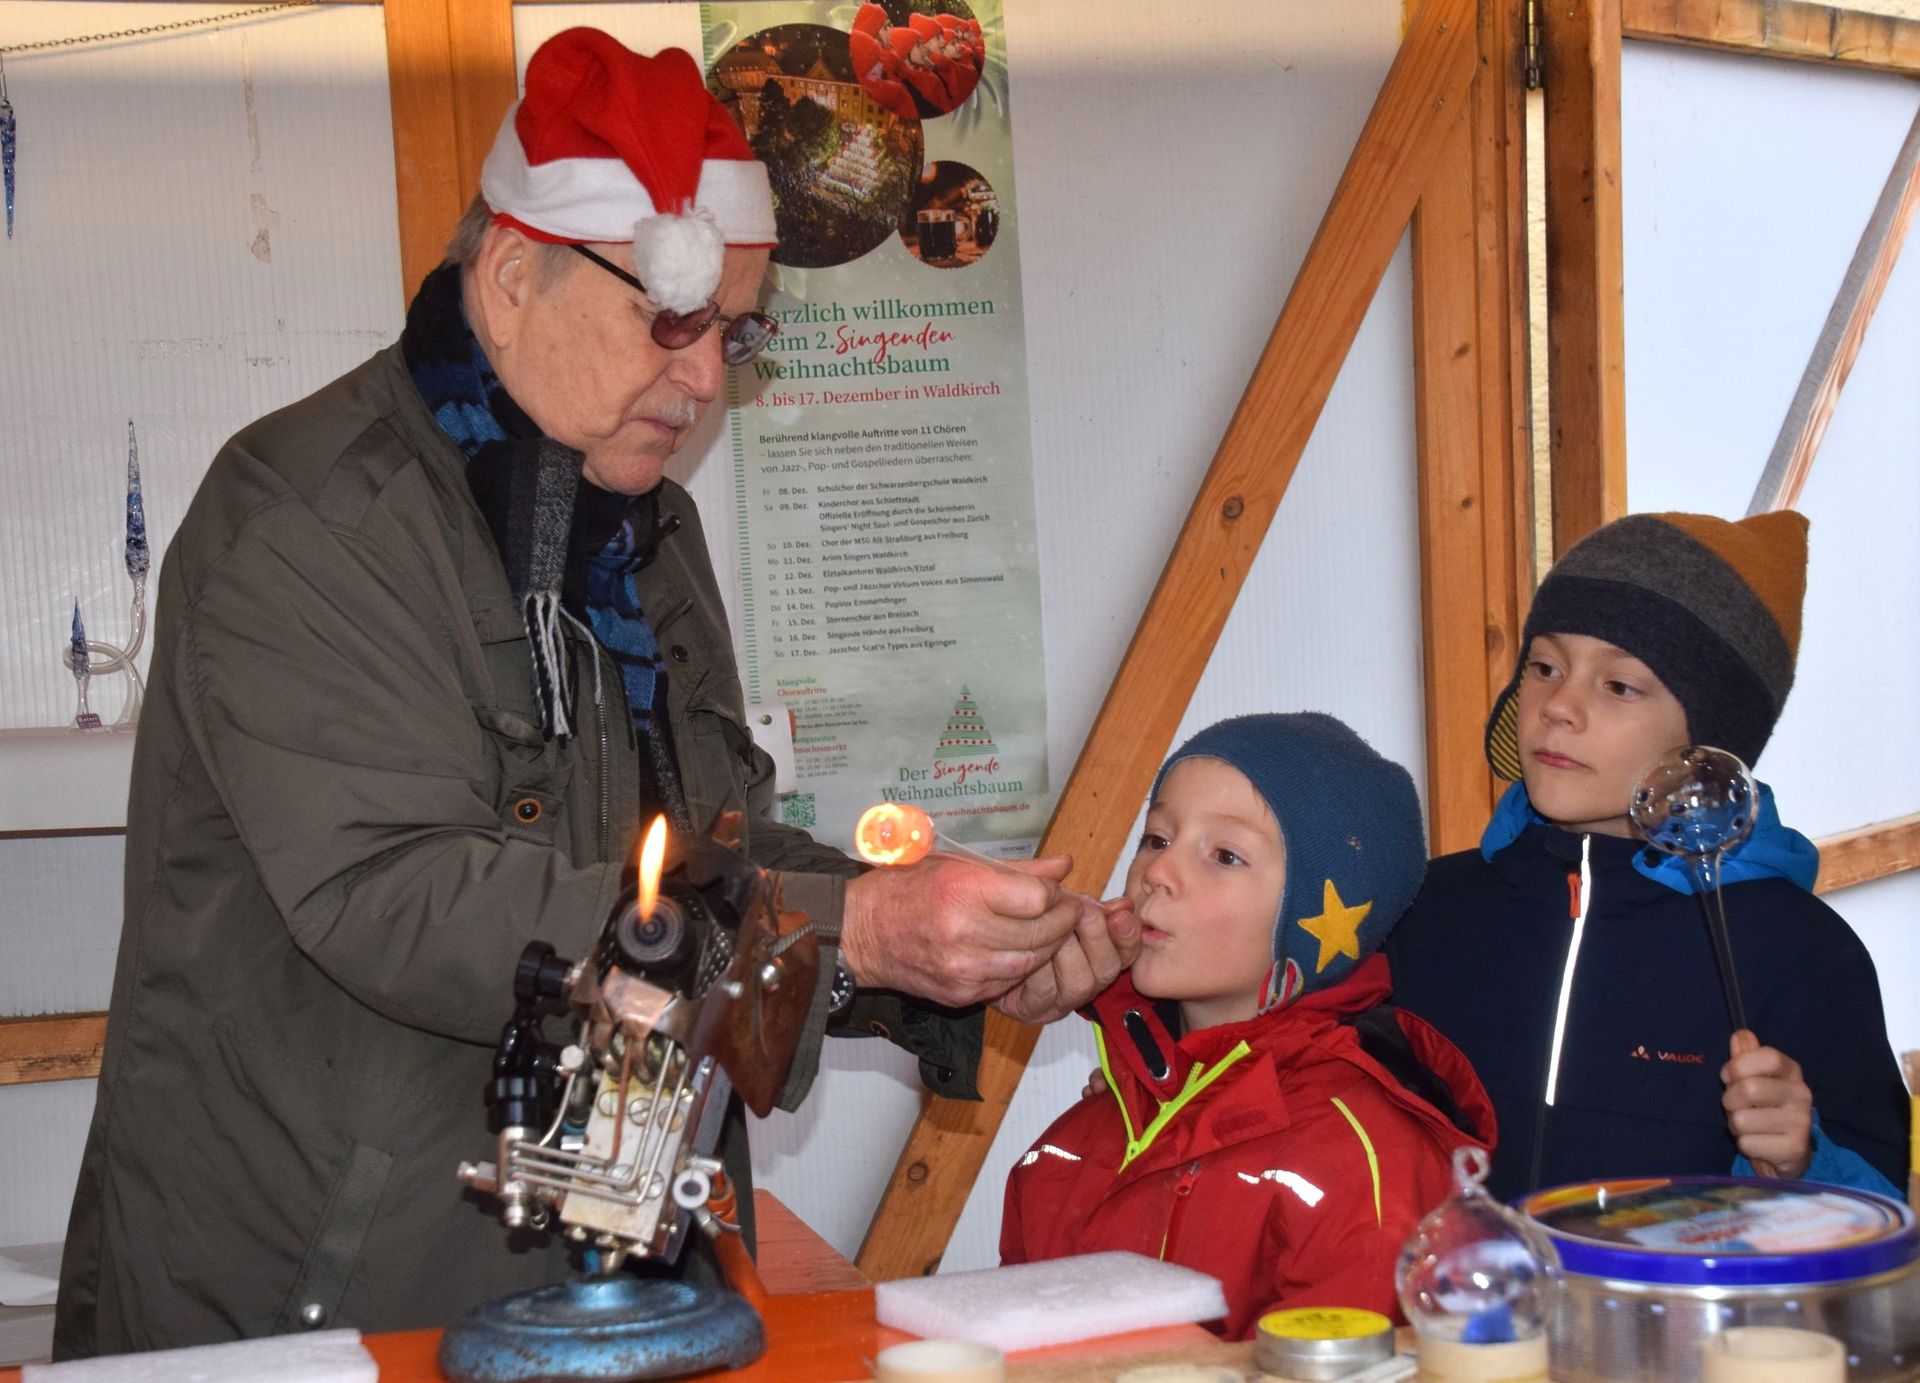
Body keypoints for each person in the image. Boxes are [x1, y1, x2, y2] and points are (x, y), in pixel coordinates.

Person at [54, 30, 1135, 1358]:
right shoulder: (309, 522)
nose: (701, 381)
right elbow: (396, 895)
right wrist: (860, 928)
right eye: (673, 319)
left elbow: (722, 864)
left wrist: (948, 953)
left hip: (610, 1281)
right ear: (512, 278)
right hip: (316, 1311)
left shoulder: (645, 536)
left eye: (733, 336)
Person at [1388, 511, 1910, 1203]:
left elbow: (1881, 1211)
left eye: (1619, 685)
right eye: (1545, 666)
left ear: (1711, 739)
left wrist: (1799, 1161)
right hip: (1454, 1312)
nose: (1558, 706)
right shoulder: (1425, 910)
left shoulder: (1802, 952)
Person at [1000, 714, 1494, 1339]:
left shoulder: (1360, 1159)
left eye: (1224, 855)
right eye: (1157, 838)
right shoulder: (1067, 1147)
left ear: (1318, 922)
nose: (1157, 872)